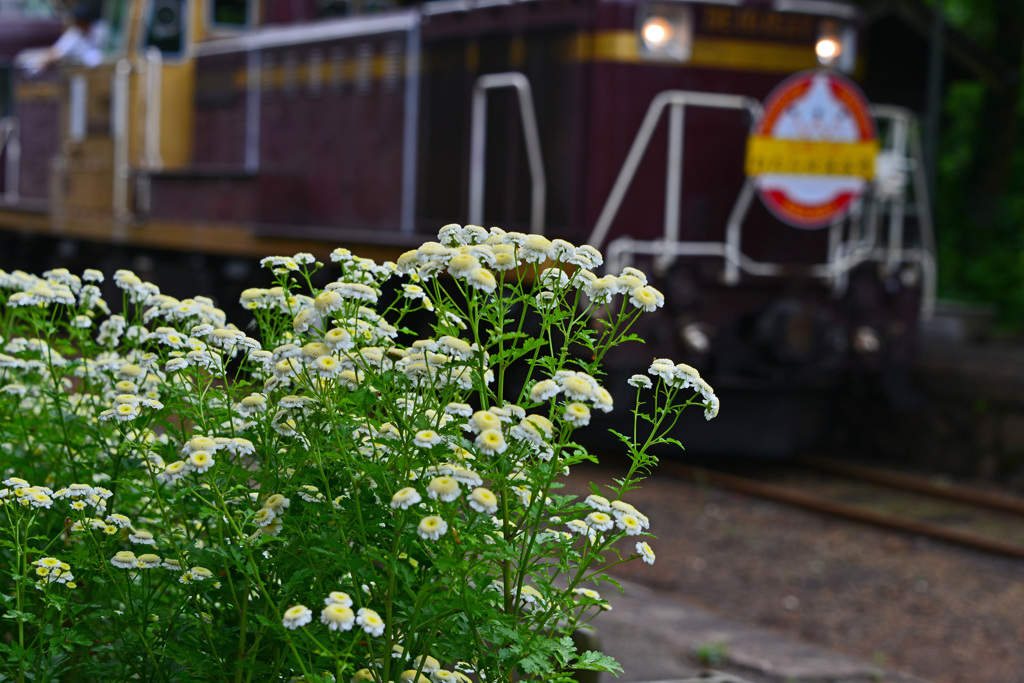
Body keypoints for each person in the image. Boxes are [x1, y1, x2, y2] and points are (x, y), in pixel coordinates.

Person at [21, 2, 107, 73]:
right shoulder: (75, 33)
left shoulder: (101, 30)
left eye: (78, 21)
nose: (76, 23)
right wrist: (38, 62)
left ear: (84, 22)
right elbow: (57, 51)